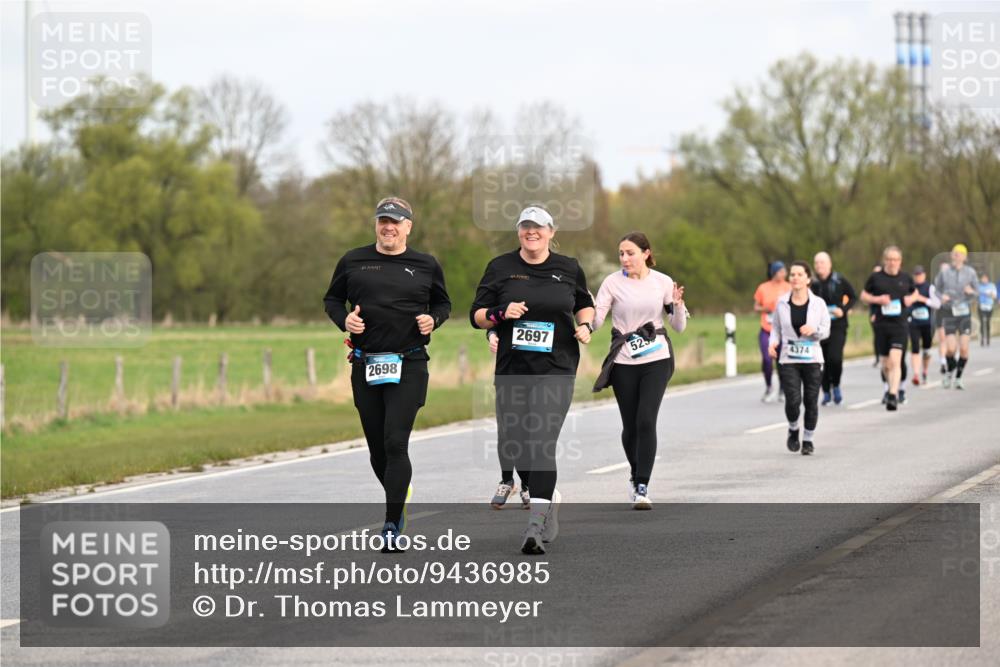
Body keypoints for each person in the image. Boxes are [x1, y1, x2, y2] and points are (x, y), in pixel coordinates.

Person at [323, 197, 451, 552]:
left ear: (408, 226)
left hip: (409, 362)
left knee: (396, 442)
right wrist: (344, 320)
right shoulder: (353, 260)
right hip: (366, 363)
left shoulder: (426, 264)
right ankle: (400, 488)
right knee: (378, 449)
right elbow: (332, 300)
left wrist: (433, 320)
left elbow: (443, 304)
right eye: (383, 220)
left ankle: (392, 524)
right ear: (376, 224)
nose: (388, 227)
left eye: (395, 221)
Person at [470, 204, 595, 554]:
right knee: (517, 444)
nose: (532, 232)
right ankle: (545, 495)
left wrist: (585, 325)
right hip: (513, 369)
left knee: (541, 442)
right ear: (519, 232)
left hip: (556, 368)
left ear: (551, 232)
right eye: (526, 226)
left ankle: (534, 525)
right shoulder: (500, 267)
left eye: (538, 226)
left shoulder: (568, 267)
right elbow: (477, 315)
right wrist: (500, 313)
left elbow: (584, 303)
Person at [591, 232, 688, 510]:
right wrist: (586, 308)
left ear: (646, 253)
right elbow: (596, 323)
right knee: (631, 426)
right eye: (621, 253)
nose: (624, 258)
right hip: (623, 360)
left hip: (656, 357)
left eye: (630, 253)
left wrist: (678, 305)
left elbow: (678, 327)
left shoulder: (663, 282)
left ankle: (643, 485)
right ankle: (635, 475)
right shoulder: (612, 282)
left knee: (646, 420)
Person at [768, 261, 831, 455]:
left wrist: (814, 330)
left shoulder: (818, 304)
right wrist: (773, 343)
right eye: (792, 274)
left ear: (808, 279)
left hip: (812, 358)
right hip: (789, 358)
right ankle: (794, 428)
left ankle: (808, 439)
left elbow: (826, 330)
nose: (795, 278)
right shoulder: (781, 302)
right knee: (793, 400)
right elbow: (775, 328)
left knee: (811, 401)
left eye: (800, 274)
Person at [860, 246, 918, 411]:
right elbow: (863, 296)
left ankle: (893, 395)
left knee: (895, 360)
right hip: (881, 325)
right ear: (885, 260)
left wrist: (910, 299)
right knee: (885, 364)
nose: (893, 262)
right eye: (890, 259)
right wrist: (877, 300)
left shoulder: (905, 278)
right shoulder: (876, 278)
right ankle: (890, 386)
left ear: (900, 261)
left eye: (896, 259)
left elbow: (914, 293)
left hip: (900, 325)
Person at [810, 252, 856, 405]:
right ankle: (826, 392)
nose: (819, 266)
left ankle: (835, 385)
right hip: (819, 327)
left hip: (837, 326)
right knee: (821, 361)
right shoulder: (812, 284)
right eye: (816, 263)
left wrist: (843, 309)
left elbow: (853, 296)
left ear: (829, 264)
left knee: (835, 358)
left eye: (822, 262)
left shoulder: (839, 280)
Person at [934, 244, 979, 389]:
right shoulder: (945, 272)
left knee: (964, 349)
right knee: (951, 349)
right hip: (949, 312)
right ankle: (949, 373)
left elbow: (978, 292)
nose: (956, 255)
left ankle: (958, 378)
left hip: (964, 312)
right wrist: (942, 296)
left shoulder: (970, 272)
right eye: (954, 253)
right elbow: (936, 290)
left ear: (964, 257)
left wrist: (971, 291)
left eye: (959, 253)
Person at [753, 262, 791, 402]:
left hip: (783, 331)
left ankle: (782, 389)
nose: (784, 273)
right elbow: (756, 307)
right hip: (767, 330)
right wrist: (766, 309)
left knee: (782, 361)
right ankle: (769, 386)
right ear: (775, 272)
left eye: (785, 271)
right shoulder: (763, 287)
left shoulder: (789, 287)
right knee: (767, 360)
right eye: (781, 271)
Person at [907, 266, 940, 385]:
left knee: (926, 349)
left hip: (928, 324)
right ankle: (916, 374)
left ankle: (925, 371)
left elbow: (937, 304)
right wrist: (911, 299)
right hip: (913, 322)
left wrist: (923, 299)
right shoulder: (909, 288)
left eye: (920, 275)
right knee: (915, 347)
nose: (918, 277)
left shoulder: (930, 288)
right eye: (916, 275)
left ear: (924, 275)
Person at [977, 272, 996, 347]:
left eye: (985, 278)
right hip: (981, 306)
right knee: (982, 323)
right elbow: (976, 294)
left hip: (989, 306)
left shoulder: (991, 286)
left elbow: (994, 296)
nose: (984, 280)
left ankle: (988, 338)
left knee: (987, 323)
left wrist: (990, 294)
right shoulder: (979, 286)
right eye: (982, 278)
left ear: (988, 279)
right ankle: (982, 338)